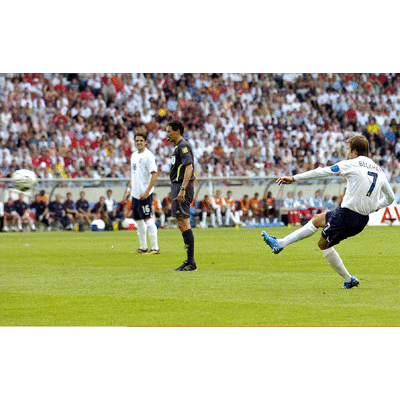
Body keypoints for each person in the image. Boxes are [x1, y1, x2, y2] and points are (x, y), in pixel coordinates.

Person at [262, 135, 395, 289]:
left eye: (349, 150)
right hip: (362, 219)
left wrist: (294, 178)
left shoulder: (352, 164)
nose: (348, 153)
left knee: (323, 244)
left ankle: (348, 279)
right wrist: (374, 207)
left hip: (347, 215)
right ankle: (280, 243)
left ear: (354, 151)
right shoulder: (379, 170)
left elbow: (323, 171)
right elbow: (390, 198)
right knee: (317, 219)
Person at [166, 120, 197, 272]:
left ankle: (191, 262)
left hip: (181, 186)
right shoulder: (178, 147)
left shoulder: (183, 146)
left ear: (177, 131)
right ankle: (189, 261)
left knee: (184, 222)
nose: (167, 134)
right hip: (177, 186)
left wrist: (183, 188)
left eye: (169, 131)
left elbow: (189, 167)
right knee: (181, 223)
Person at [124, 132, 160, 255]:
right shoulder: (134, 155)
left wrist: (147, 191)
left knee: (148, 219)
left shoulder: (148, 156)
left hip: (145, 194)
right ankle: (143, 247)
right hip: (135, 194)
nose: (139, 143)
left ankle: (155, 248)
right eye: (137, 140)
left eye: (141, 140)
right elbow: (133, 175)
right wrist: (128, 191)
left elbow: (154, 174)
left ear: (146, 142)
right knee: (138, 220)